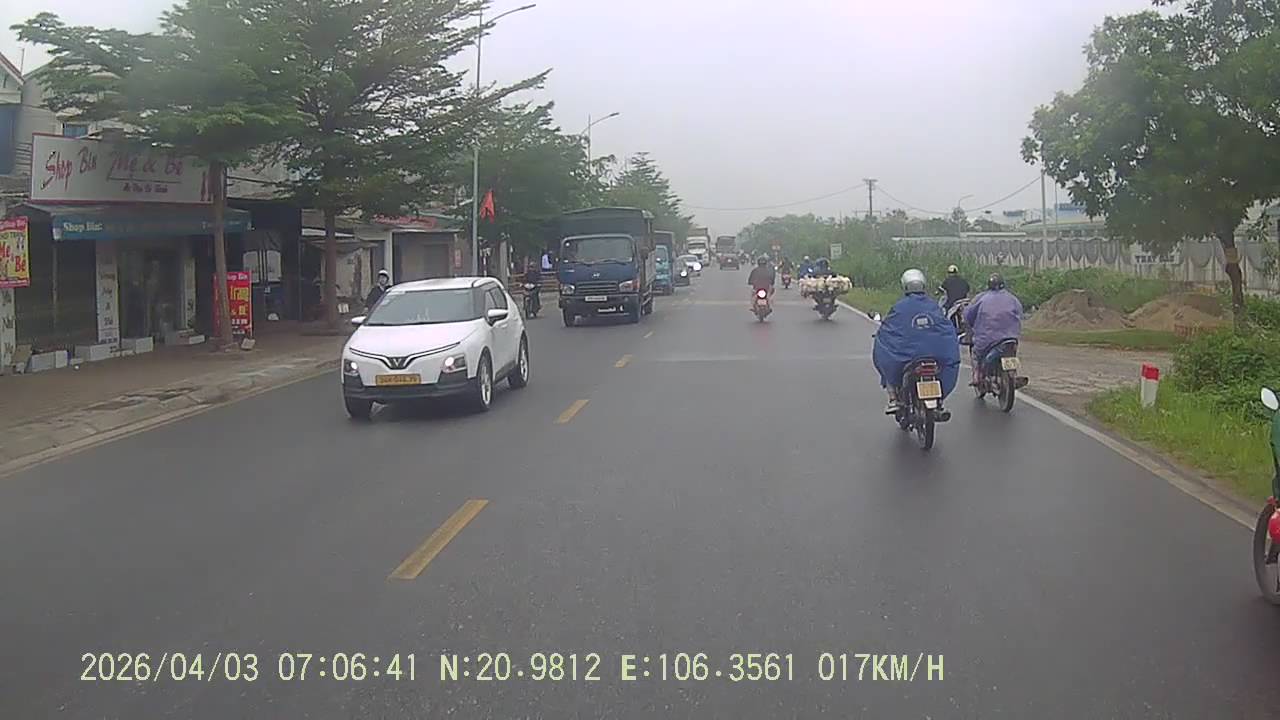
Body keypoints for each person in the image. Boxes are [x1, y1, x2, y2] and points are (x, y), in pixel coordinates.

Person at [873, 269, 962, 414]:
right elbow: (946, 328)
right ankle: (939, 400)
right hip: (935, 354)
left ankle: (893, 398)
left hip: (908, 356)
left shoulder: (900, 307)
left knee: (884, 357)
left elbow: (889, 328)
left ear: (905, 286)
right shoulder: (933, 305)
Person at [963, 273, 1024, 386]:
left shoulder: (981, 298)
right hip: (1011, 337)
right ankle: (1013, 374)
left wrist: (971, 326)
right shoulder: (1013, 299)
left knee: (976, 354)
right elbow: (1020, 314)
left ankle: (977, 376)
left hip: (988, 339)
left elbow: (968, 315)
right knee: (1012, 353)